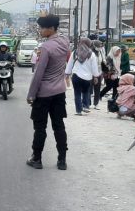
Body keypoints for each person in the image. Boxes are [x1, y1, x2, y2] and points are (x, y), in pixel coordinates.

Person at [26, 15, 70, 170]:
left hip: (44, 93)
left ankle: (36, 159)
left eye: (41, 28)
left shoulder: (45, 47)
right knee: (59, 126)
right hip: (59, 92)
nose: (40, 30)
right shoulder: (65, 42)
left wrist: (31, 94)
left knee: (40, 127)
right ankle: (62, 160)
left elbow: (38, 73)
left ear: (51, 28)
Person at [65, 38, 100, 116]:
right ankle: (86, 106)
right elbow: (94, 67)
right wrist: (96, 76)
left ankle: (78, 111)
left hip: (76, 76)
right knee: (86, 92)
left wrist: (67, 73)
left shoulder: (75, 52)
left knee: (77, 93)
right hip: (87, 78)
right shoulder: (92, 54)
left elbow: (70, 63)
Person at [90, 40, 106, 110]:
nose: (100, 47)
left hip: (99, 72)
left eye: (100, 46)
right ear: (94, 46)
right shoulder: (90, 53)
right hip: (91, 73)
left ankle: (96, 104)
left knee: (97, 89)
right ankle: (88, 103)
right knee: (90, 89)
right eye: (98, 46)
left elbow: (103, 60)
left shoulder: (101, 52)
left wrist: (104, 63)